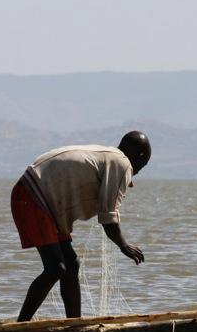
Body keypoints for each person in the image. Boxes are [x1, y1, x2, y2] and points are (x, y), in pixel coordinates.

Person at [10, 131, 151, 322]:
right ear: (140, 157)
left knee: (71, 265)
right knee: (55, 268)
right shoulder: (122, 163)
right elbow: (108, 217)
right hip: (32, 196)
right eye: (143, 165)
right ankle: (21, 325)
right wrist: (123, 246)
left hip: (41, 199)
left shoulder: (110, 156)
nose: (140, 171)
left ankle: (74, 324)